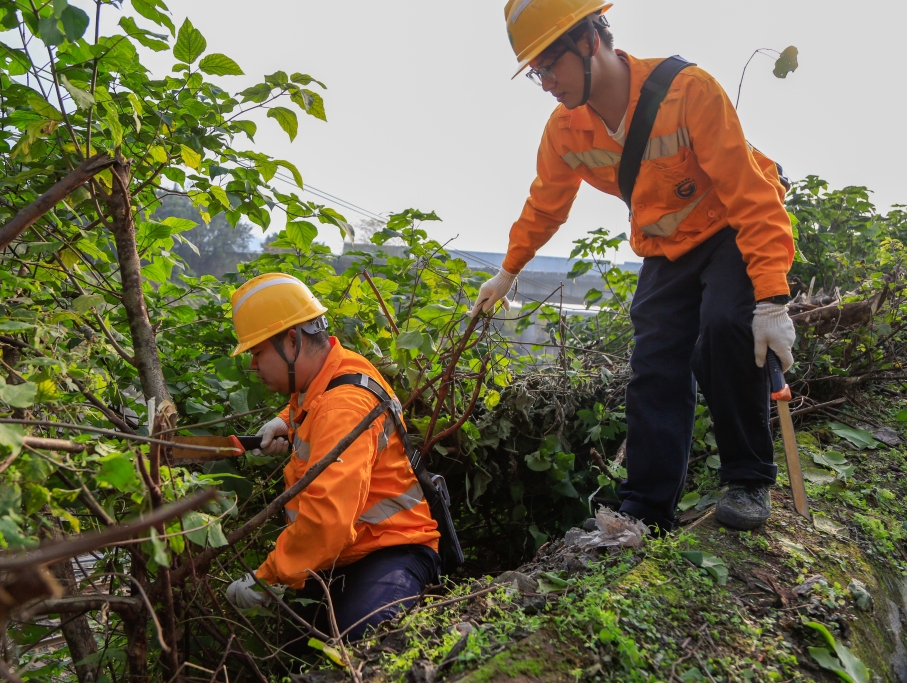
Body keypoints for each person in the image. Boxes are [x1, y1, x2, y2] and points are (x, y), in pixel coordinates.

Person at [473, 0, 797, 532]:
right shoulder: (564, 131)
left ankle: (747, 478)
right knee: (654, 363)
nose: (547, 82)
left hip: (731, 226)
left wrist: (770, 299)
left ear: (588, 41)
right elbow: (545, 206)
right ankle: (644, 510)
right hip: (668, 243)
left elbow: (751, 196)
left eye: (550, 66)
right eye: (536, 74)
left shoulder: (689, 91)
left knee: (724, 326)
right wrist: (507, 272)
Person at [224, 273, 441, 641]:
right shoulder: (334, 372)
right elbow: (315, 410)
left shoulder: (345, 406)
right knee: (302, 647)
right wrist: (282, 423)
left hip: (392, 551)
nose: (253, 366)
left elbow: (328, 520)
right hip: (342, 555)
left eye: (257, 352)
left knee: (363, 638)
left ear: (291, 340)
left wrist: (268, 577)